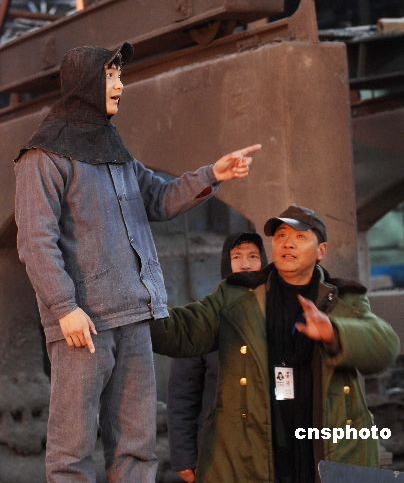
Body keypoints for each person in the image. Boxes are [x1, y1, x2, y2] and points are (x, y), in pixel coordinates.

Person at [13, 41, 260, 482]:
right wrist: (65, 307)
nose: (120, 85)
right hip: (84, 324)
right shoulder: (42, 158)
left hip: (135, 315)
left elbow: (160, 199)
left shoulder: (114, 149)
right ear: (86, 82)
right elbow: (35, 240)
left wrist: (213, 174)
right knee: (72, 451)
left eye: (119, 75)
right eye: (111, 75)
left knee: (137, 447)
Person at [151, 204, 400, 483]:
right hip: (255, 449)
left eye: (300, 237)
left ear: (321, 251)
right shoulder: (236, 295)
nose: (287, 243)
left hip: (325, 444)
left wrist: (334, 333)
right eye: (281, 236)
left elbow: (385, 346)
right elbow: (183, 331)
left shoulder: (344, 298)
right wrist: (138, 312)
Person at [167, 232, 267, 482]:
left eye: (253, 256)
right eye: (237, 257)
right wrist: (184, 457)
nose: (245, 264)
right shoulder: (206, 317)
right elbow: (183, 394)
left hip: (267, 447)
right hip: (216, 448)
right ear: (226, 263)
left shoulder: (276, 313)